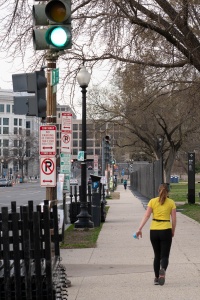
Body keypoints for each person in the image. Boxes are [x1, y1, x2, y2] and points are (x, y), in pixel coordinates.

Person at [135, 183, 176, 286]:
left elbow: (147, 215)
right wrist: (173, 230)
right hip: (166, 229)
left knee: (157, 255)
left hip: (154, 231)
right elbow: (174, 219)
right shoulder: (171, 203)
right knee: (165, 255)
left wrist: (139, 228)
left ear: (158, 191)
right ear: (168, 192)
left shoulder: (152, 201)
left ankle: (157, 278)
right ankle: (163, 269)